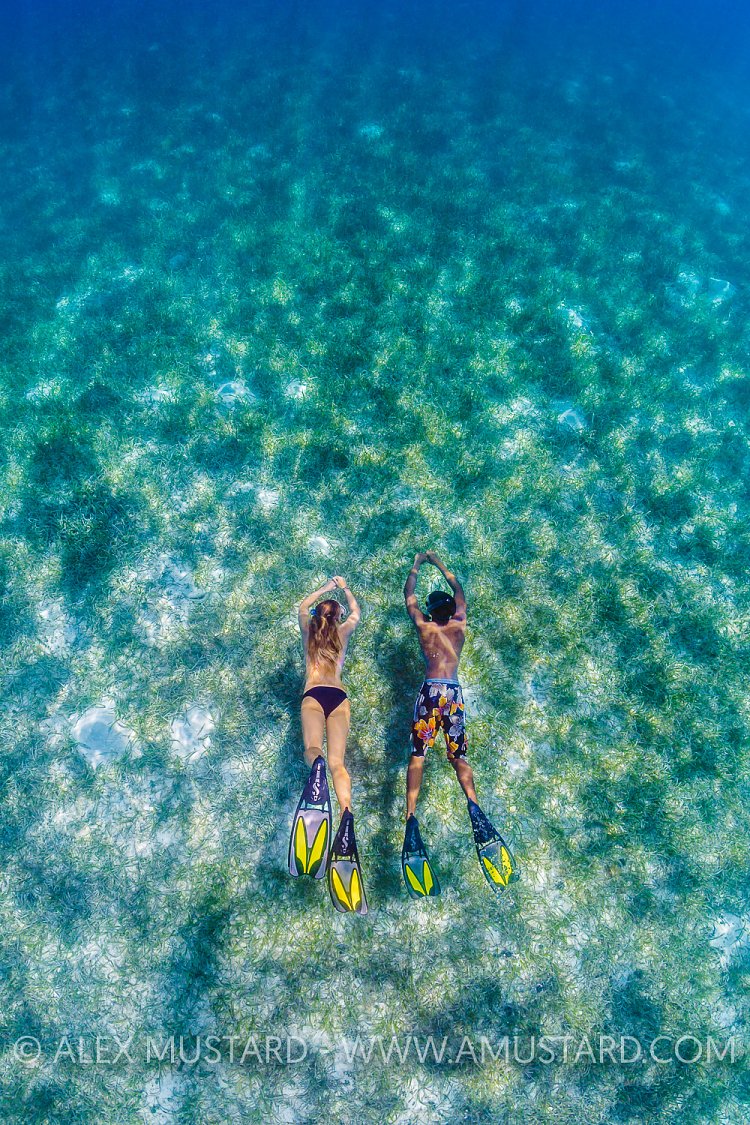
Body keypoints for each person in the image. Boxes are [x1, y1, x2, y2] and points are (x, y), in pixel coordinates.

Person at [402, 552, 517, 895]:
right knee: (458, 758)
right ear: (451, 609)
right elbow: (459, 588)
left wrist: (417, 565)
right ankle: (473, 802)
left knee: (417, 757)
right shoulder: (460, 625)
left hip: (429, 693)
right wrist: (439, 563)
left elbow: (408, 597)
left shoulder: (424, 627)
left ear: (430, 611)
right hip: (452, 693)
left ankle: (410, 816)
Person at [290, 576, 368, 914]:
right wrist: (346, 589)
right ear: (335, 618)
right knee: (339, 764)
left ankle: (315, 767)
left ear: (319, 615)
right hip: (338, 696)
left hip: (313, 694)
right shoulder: (341, 632)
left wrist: (325, 586)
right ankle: (346, 812)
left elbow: (300, 606)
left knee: (313, 751)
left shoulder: (309, 630)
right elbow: (357, 613)